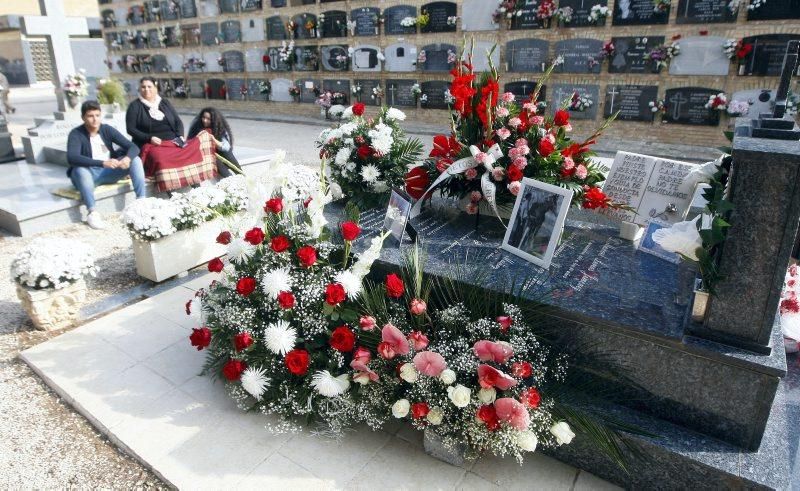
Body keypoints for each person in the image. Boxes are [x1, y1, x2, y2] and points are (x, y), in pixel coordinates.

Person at [126, 76, 218, 191]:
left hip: (173, 141)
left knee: (189, 154)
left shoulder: (164, 102)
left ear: (155, 88)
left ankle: (197, 190)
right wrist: (149, 138)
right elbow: (131, 129)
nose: (146, 89)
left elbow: (177, 121)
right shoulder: (135, 106)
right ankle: (172, 193)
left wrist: (180, 135)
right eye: (143, 87)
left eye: (149, 86)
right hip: (152, 144)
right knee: (161, 159)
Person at [67, 101, 145, 229]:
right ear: (83, 118)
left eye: (97, 115)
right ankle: (92, 212)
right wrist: (102, 163)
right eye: (90, 116)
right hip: (89, 174)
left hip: (109, 172)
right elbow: (72, 157)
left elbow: (133, 147)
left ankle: (141, 202)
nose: (94, 119)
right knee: (80, 171)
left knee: (135, 159)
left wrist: (127, 158)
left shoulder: (106, 129)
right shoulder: (76, 134)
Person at [187, 107, 241, 177]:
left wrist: (214, 140)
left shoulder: (219, 127)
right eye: (203, 117)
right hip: (203, 153)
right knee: (214, 159)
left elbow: (226, 147)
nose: (205, 120)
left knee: (228, 153)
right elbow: (190, 142)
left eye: (208, 119)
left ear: (214, 120)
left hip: (217, 150)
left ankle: (240, 174)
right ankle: (229, 178)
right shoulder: (196, 126)